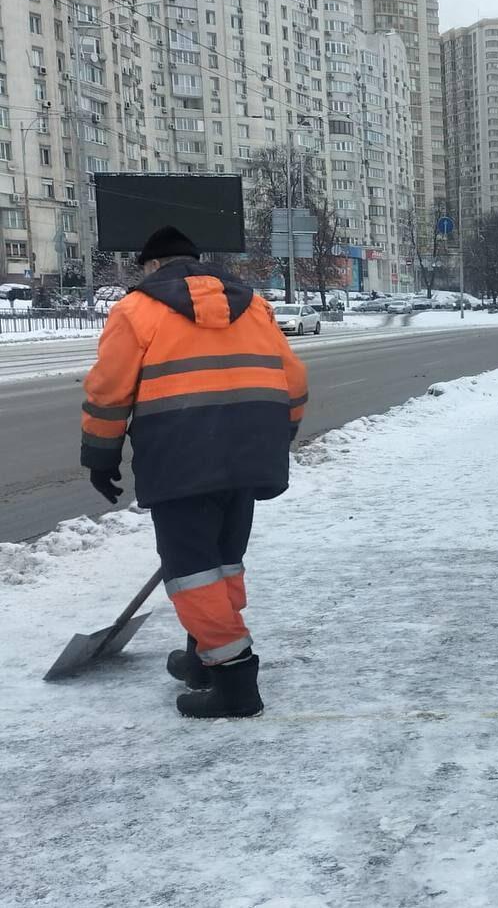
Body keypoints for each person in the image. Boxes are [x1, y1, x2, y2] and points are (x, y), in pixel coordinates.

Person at [80, 225, 308, 718]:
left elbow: (109, 391)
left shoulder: (136, 310)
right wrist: (277, 435)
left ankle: (235, 682)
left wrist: (100, 456)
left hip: (180, 457)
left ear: (152, 266)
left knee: (192, 573)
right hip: (249, 453)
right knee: (223, 561)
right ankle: (206, 657)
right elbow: (293, 379)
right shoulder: (254, 305)